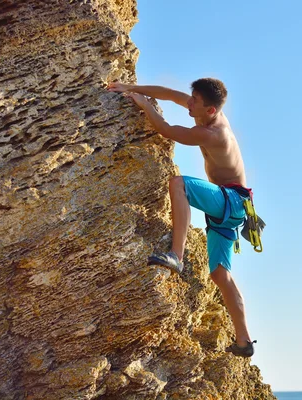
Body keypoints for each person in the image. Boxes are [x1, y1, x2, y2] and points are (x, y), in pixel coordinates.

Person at [107, 78, 256, 357]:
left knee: (180, 184)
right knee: (220, 274)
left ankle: (176, 254)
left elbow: (165, 130)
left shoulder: (213, 134)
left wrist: (142, 104)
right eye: (191, 98)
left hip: (231, 200)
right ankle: (244, 341)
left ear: (210, 110)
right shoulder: (206, 113)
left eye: (194, 102)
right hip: (233, 207)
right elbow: (167, 94)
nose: (188, 103)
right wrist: (132, 88)